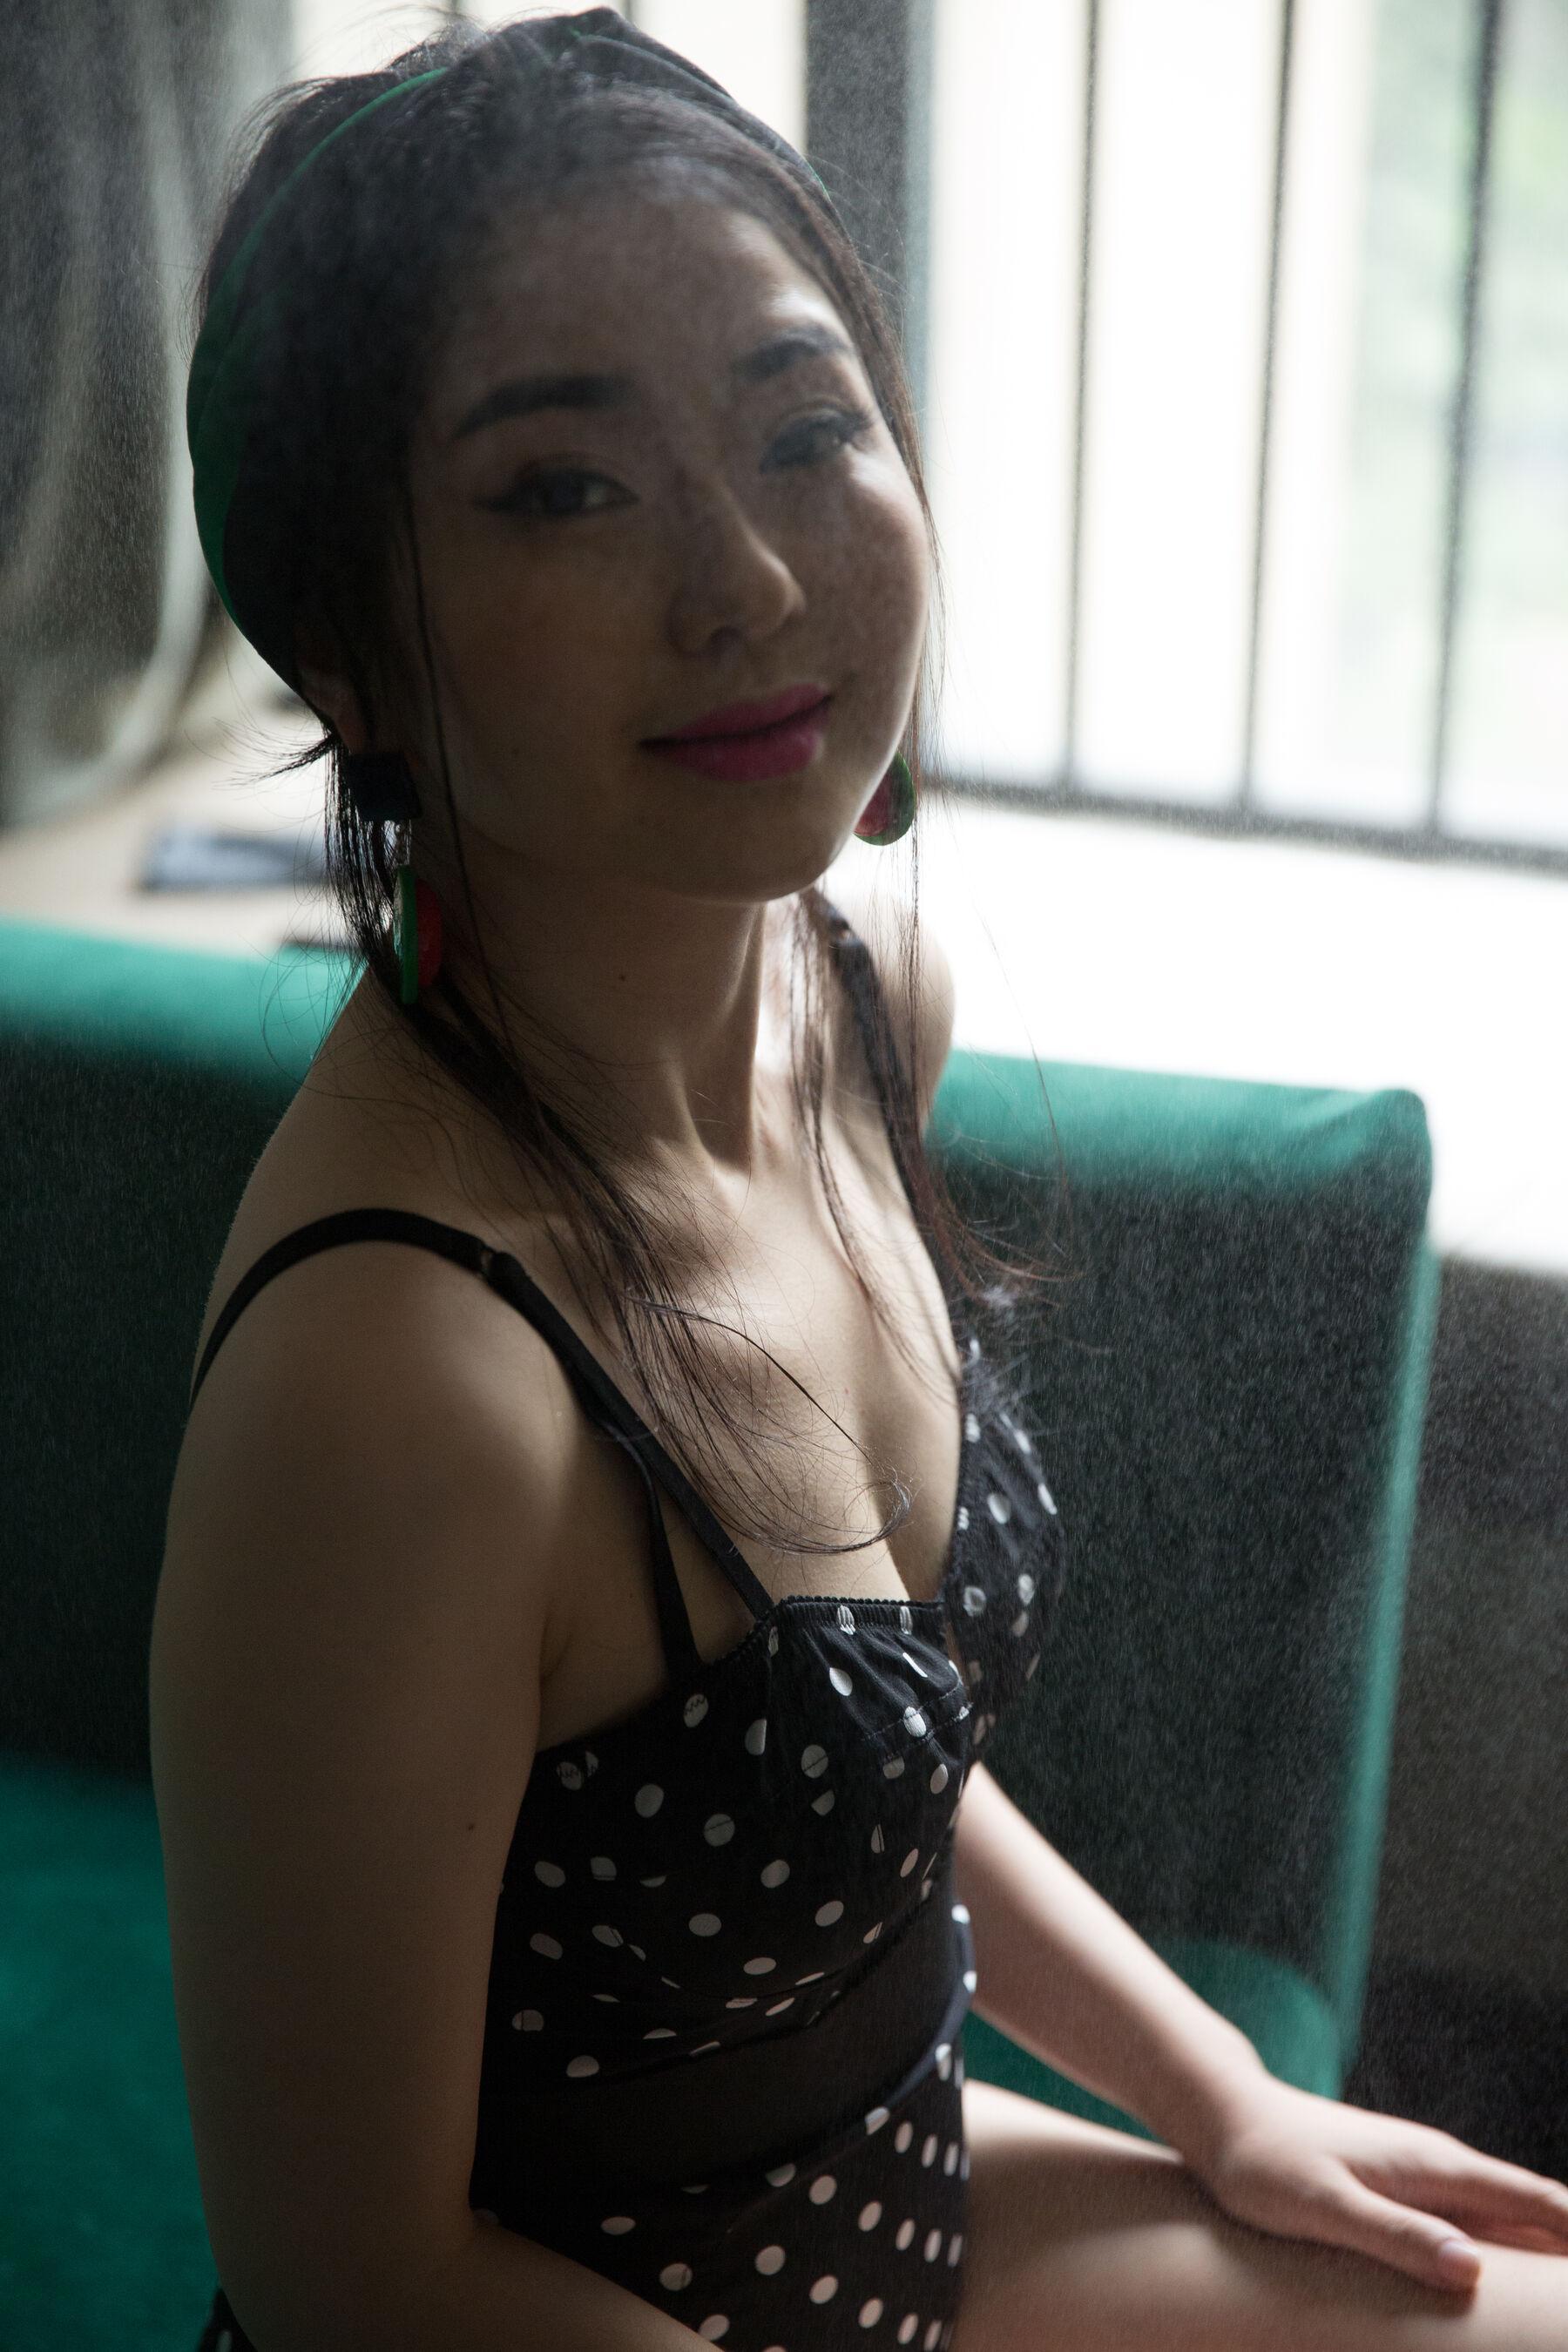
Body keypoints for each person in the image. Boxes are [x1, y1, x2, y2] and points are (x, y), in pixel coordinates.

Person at [150, 15, 1568, 2351]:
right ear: (346, 648)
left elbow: (862, 1757)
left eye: (807, 429)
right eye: (563, 491)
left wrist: (1218, 2093)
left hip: (896, 2197)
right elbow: (359, 2281)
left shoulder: (855, 1001)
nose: (744, 578)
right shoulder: (396, 1382)